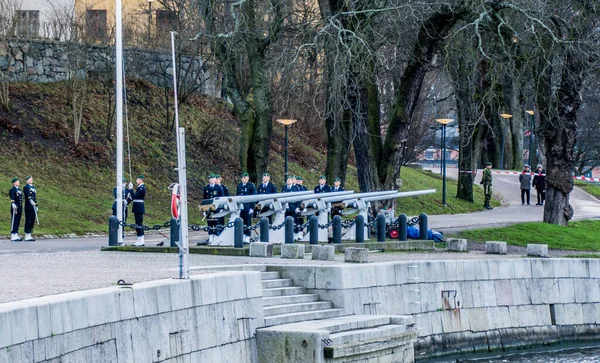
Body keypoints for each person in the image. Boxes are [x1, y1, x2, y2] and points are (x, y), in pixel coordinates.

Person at [203, 174, 224, 242]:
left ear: (215, 180)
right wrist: (204, 210)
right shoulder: (206, 188)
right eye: (210, 178)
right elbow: (204, 199)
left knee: (216, 222)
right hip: (208, 208)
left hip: (216, 208)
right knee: (209, 222)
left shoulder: (219, 188)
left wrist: (221, 209)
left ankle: (216, 236)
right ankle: (211, 236)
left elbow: (222, 198)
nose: (211, 180)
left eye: (213, 178)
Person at [236, 172, 256, 241]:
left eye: (245, 178)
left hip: (248, 207)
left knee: (247, 222)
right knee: (241, 221)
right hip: (241, 207)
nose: (243, 179)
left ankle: (247, 236)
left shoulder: (250, 186)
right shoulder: (239, 185)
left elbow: (253, 197)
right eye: (242, 178)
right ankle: (242, 235)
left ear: (248, 178)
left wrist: (252, 207)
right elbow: (237, 196)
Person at [131, 175, 147, 246]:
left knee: (139, 224)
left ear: (140, 180)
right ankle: (139, 240)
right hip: (137, 207)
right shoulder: (139, 187)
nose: (136, 181)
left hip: (139, 207)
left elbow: (135, 196)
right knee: (138, 224)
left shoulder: (141, 188)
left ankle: (141, 241)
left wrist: (131, 189)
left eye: (137, 179)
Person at [23, 176, 38, 242]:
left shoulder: (33, 187)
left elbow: (35, 197)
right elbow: (28, 195)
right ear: (27, 180)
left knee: (32, 220)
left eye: (32, 179)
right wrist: (30, 200)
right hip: (29, 206)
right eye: (30, 179)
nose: (31, 180)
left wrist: (36, 205)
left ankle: (30, 233)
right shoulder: (26, 187)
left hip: (33, 206)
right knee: (28, 220)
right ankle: (27, 234)